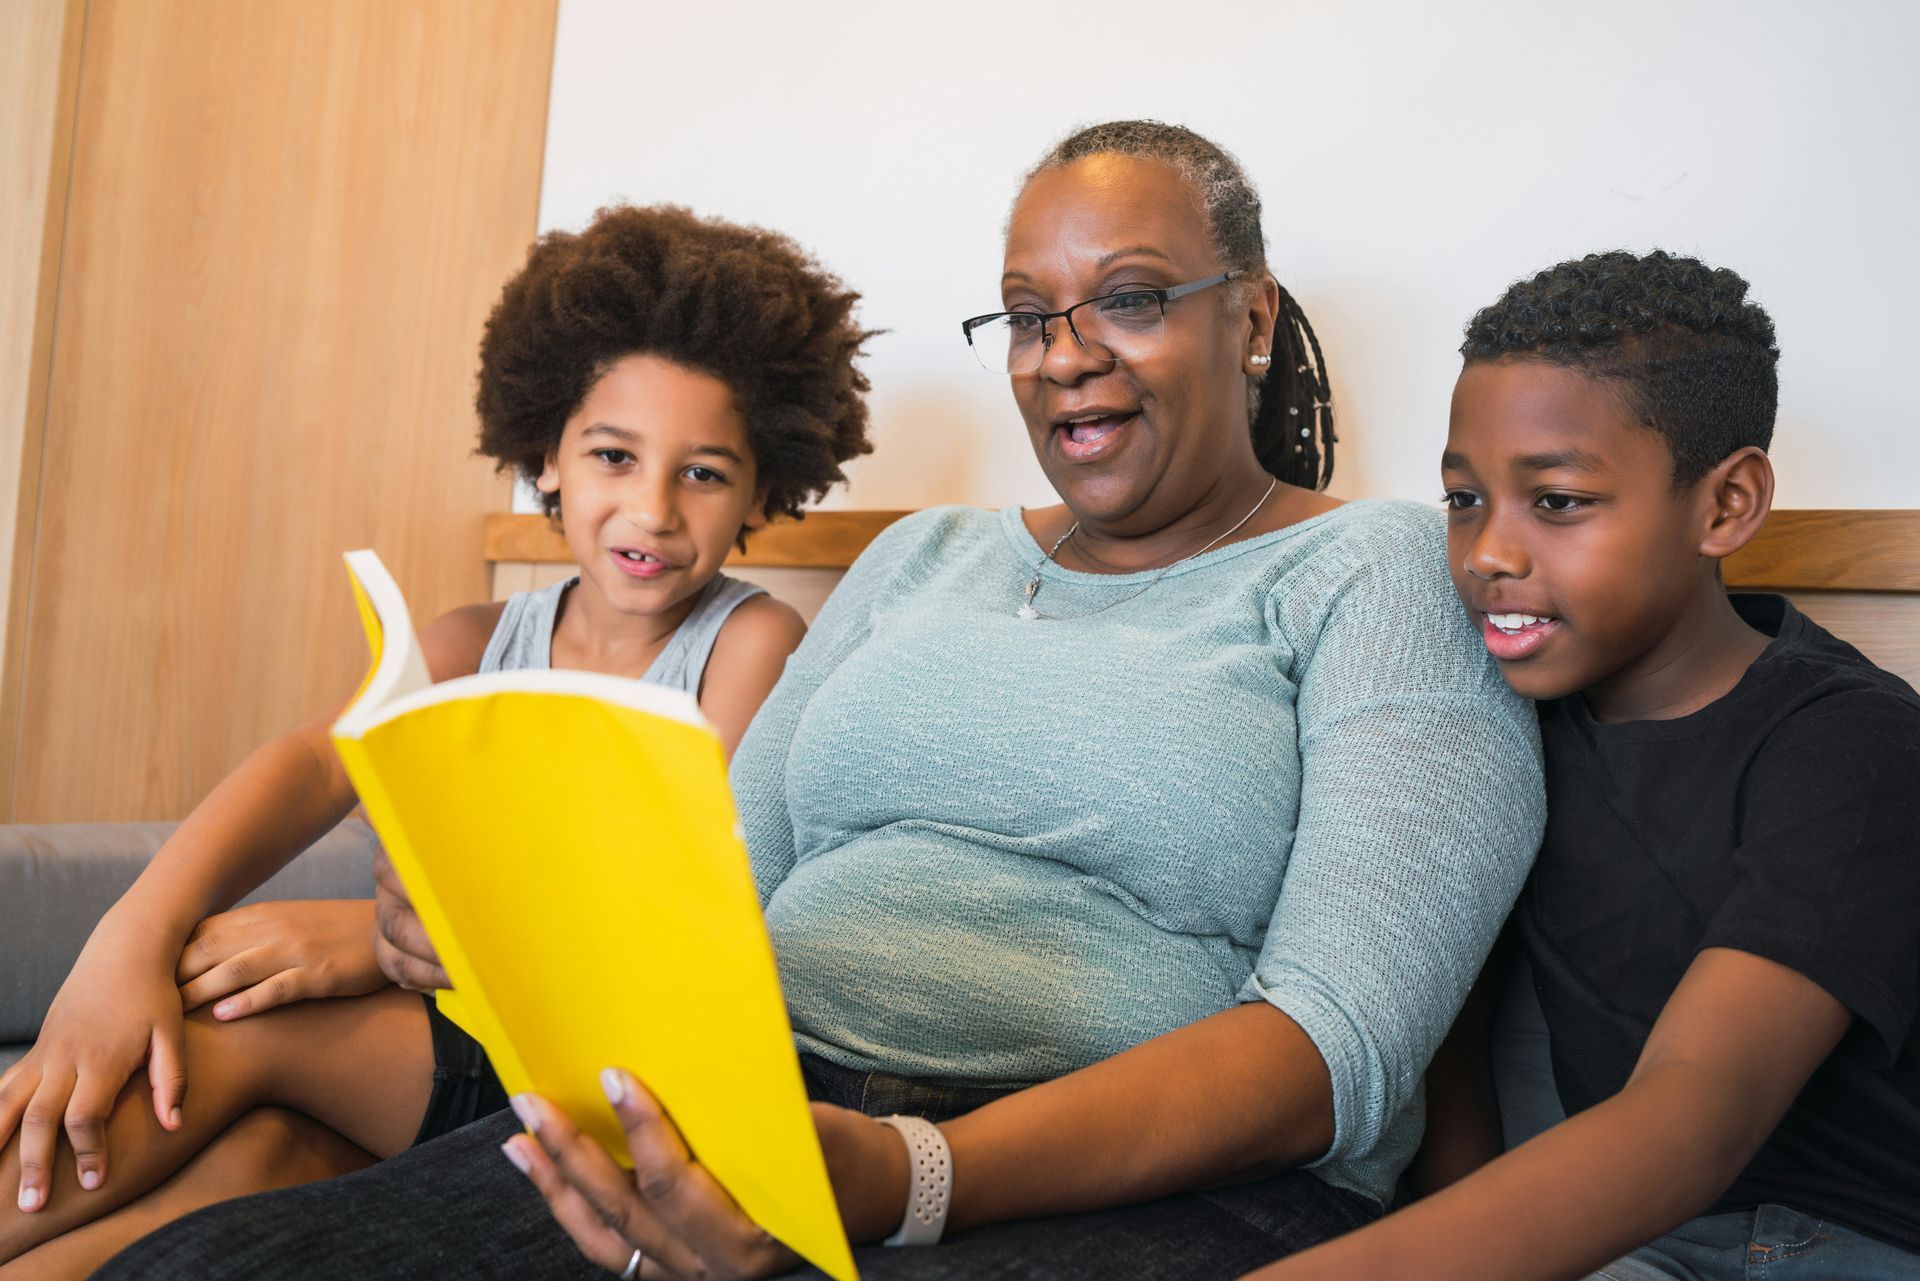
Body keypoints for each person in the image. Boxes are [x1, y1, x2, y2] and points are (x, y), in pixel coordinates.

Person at [96, 120, 1545, 1281]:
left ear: (1251, 321)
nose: (1066, 352)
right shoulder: (925, 557)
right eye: (1029, 314)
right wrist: (469, 939)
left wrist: (902, 1177)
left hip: (1142, 1180)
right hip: (751, 1120)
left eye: (1130, 297)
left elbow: (1336, 1048)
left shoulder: (1383, 570)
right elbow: (713, 893)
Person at [0, 204, 875, 1277]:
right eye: (613, 456)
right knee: (263, 1150)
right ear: (546, 458)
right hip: (434, 1046)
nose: (650, 510)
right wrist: (125, 942)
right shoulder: (475, 639)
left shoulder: (750, 643)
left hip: (580, 1061)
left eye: (702, 473)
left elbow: (675, 898)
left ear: (760, 488)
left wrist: (368, 946)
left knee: (236, 1019)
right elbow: (317, 760)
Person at [1247, 251, 1920, 1280]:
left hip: (1822, 1234)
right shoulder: (1499, 711)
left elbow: (1694, 1113)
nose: (1487, 555)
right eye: (1463, 500)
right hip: (1614, 1234)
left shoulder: (1852, 746)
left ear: (1726, 504)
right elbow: (1451, 1025)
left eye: (1557, 502)